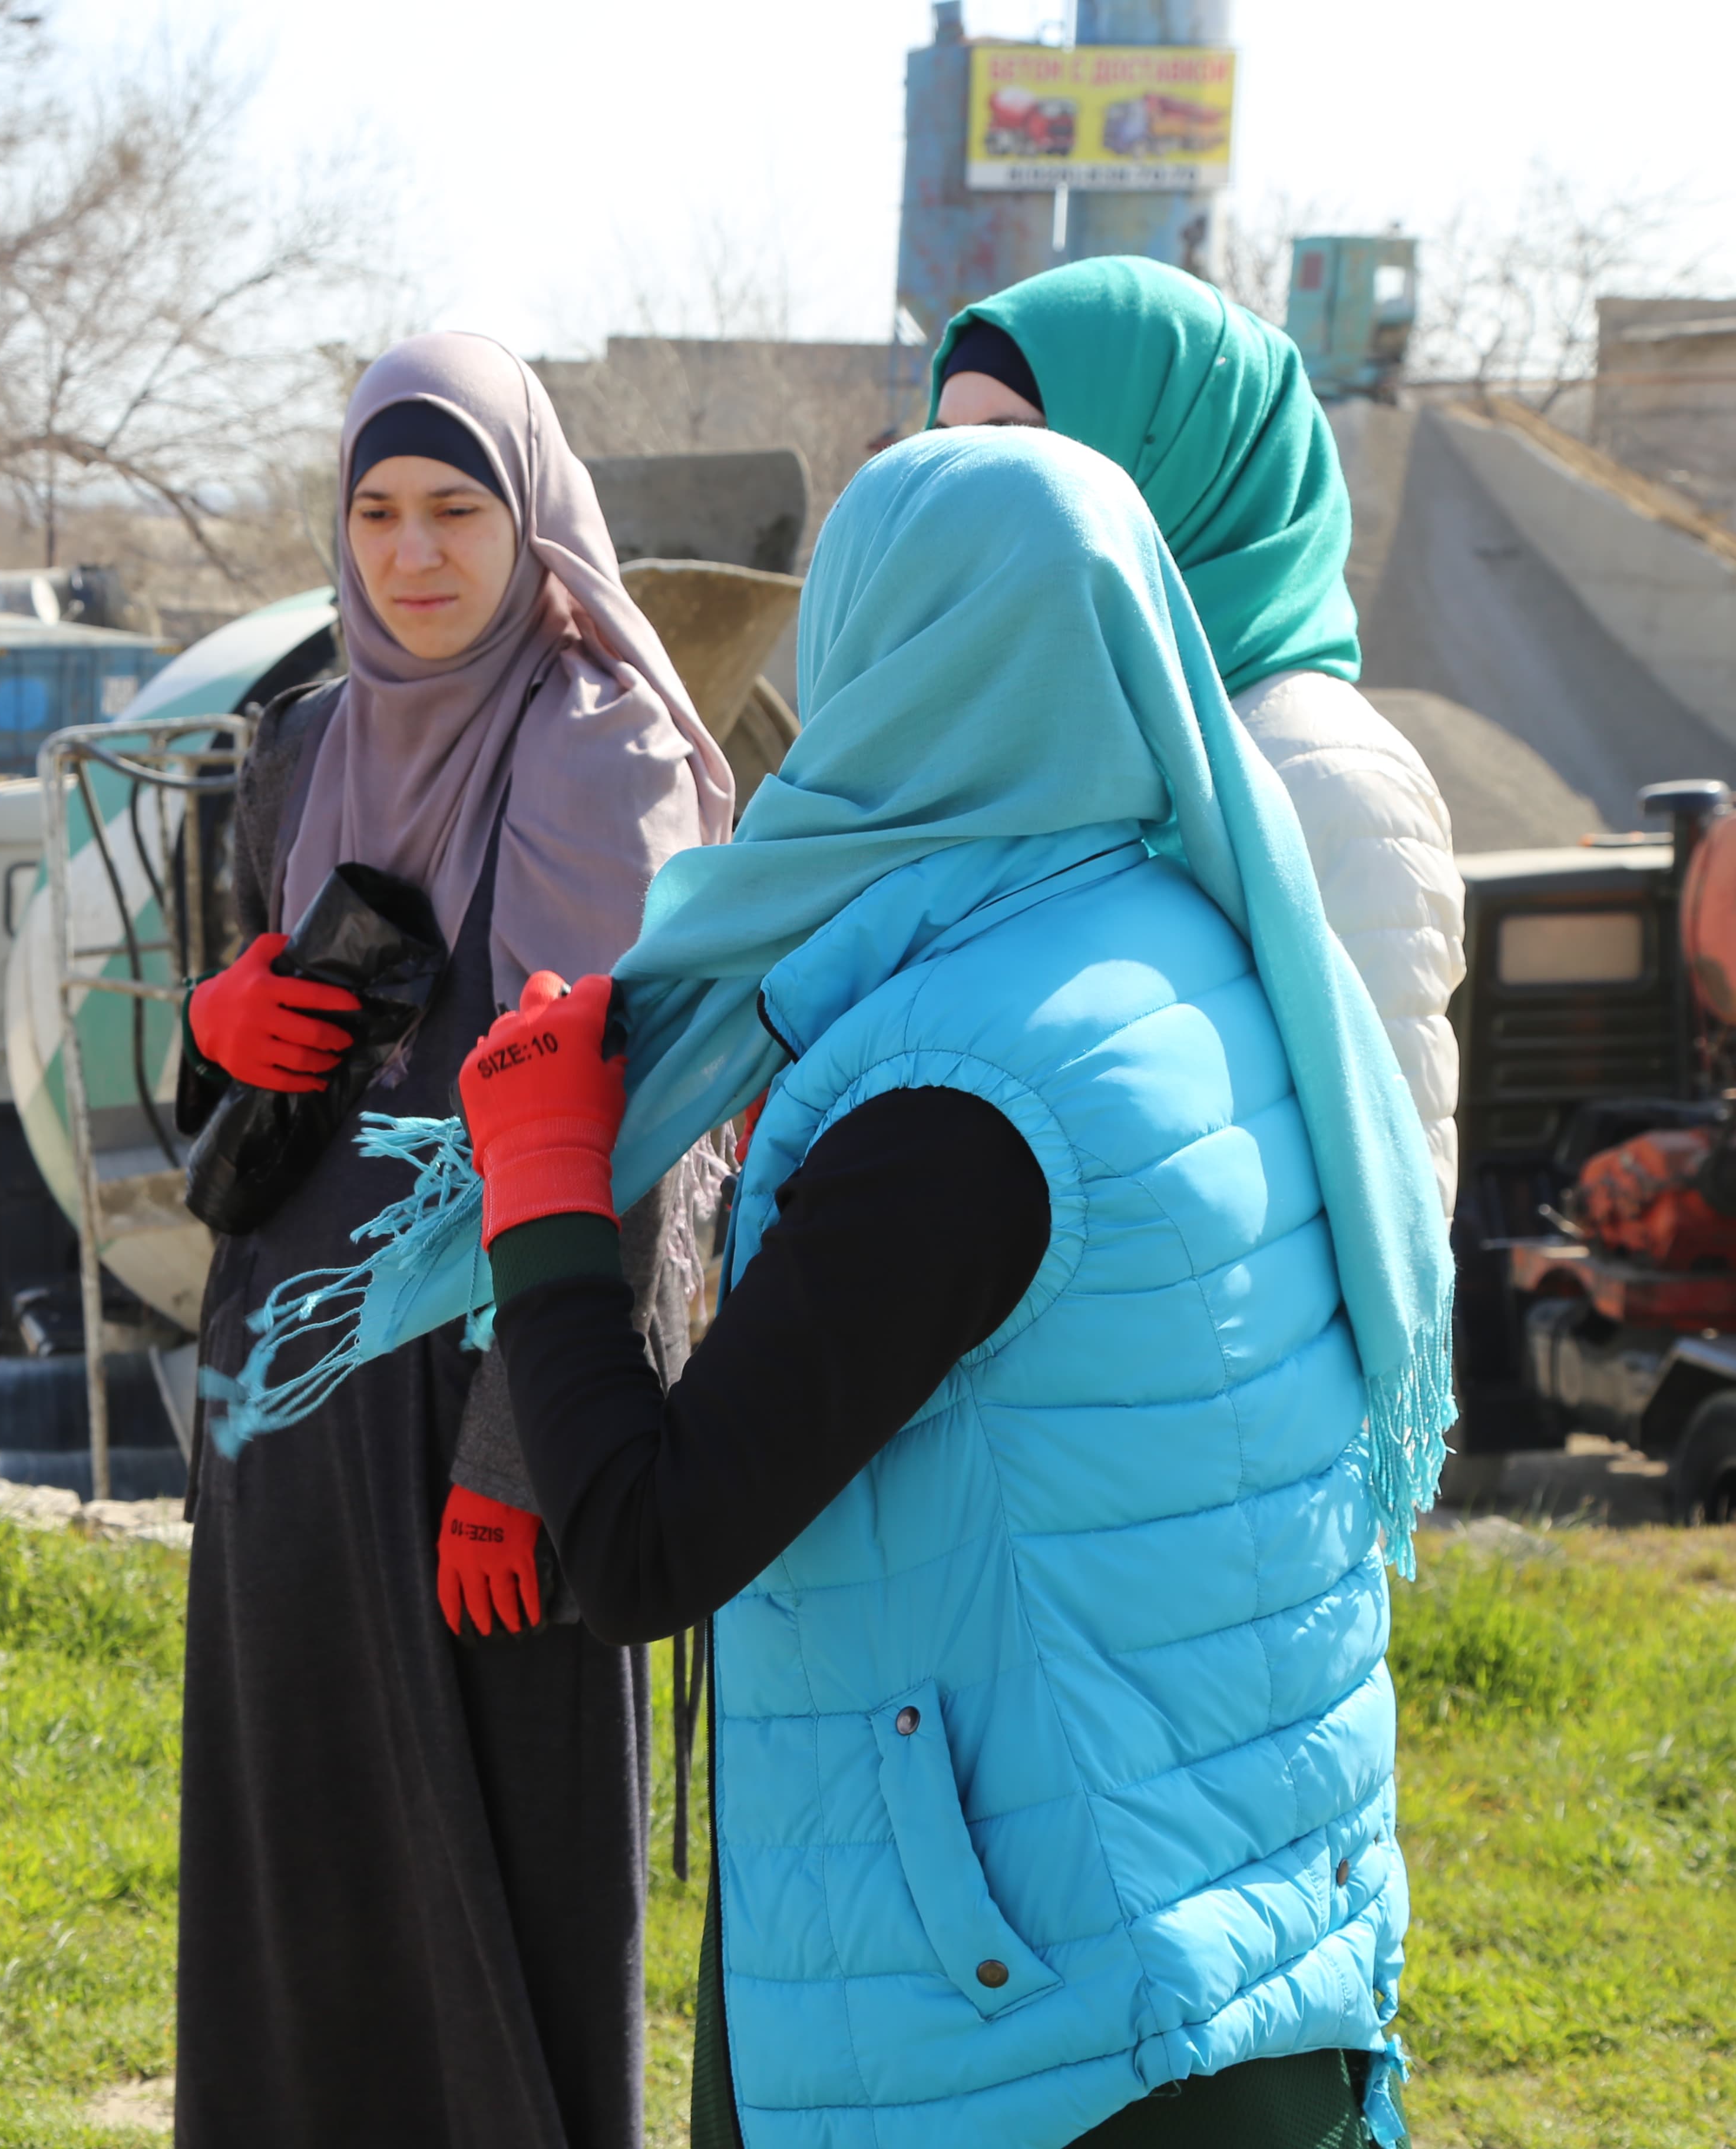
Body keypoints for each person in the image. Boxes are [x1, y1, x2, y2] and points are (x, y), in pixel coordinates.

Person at [427, 427, 1436, 2146]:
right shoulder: (1194, 952)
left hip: (1041, 2036)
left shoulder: (962, 1092)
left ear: (892, 666)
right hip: (1246, 1944)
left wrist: (540, 1189)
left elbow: (646, 1541)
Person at [173, 330, 733, 2149]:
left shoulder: (599, 750)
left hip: (482, 1426)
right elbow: (296, 1073)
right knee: (306, 1875)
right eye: (380, 513)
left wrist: (521, 1458)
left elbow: (628, 1131)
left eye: (458, 511)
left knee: (504, 1877)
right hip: (295, 1419)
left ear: (533, 516)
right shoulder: (318, 736)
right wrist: (224, 1026)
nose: (415, 557)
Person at [933, 255, 1469, 1212]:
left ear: (1178, 460)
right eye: (944, 446)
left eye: (1018, 438)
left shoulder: (1320, 776)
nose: (965, 484)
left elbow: (1389, 1208)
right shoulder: (1034, 729)